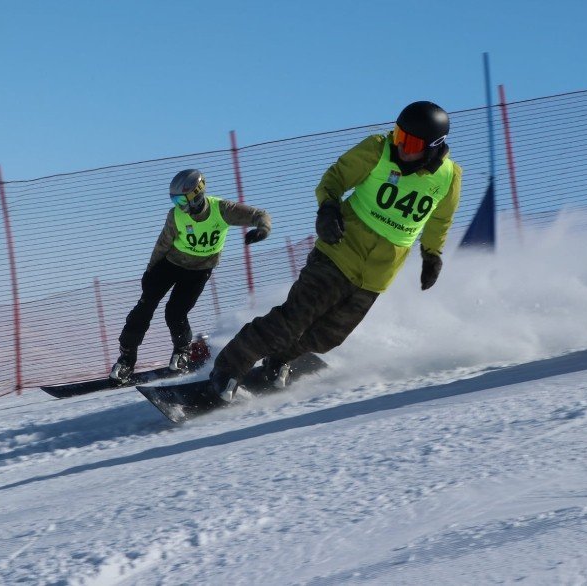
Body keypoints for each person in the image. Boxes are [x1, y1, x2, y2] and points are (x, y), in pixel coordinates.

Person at [206, 101, 462, 400]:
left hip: (377, 273)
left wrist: (432, 254)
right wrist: (327, 208)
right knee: (293, 320)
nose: (402, 146)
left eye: (412, 142)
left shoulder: (448, 178)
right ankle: (229, 367)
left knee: (329, 335)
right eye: (399, 135)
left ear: (434, 146)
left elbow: (440, 219)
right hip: (339, 250)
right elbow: (334, 179)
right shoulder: (378, 150)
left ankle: (280, 360)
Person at [110, 169, 271, 382]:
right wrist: (150, 271)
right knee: (144, 306)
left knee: (175, 312)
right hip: (170, 264)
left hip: (198, 271)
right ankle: (126, 360)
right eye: (175, 201)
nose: (179, 206)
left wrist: (263, 229)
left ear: (197, 194)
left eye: (182, 200)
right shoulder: (175, 215)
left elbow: (259, 215)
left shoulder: (222, 209)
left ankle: (182, 351)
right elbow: (162, 244)